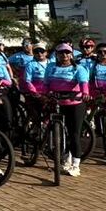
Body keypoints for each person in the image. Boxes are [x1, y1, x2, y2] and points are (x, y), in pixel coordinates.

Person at [41, 46, 90, 177]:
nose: (64, 55)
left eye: (67, 53)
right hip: (59, 102)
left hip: (75, 104)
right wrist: (45, 94)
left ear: (71, 55)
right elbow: (46, 83)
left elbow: (83, 82)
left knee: (74, 134)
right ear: (57, 55)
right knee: (64, 133)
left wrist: (85, 93)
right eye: (61, 53)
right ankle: (67, 158)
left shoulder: (78, 68)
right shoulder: (51, 67)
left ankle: (76, 165)